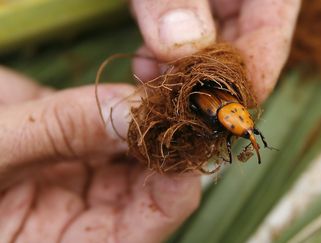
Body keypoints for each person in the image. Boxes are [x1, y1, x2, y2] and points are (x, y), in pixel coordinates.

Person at [0, 0, 300, 242]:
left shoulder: (231, 117)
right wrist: (60, 130)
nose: (245, 129)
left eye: (244, 128)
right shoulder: (218, 112)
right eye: (244, 127)